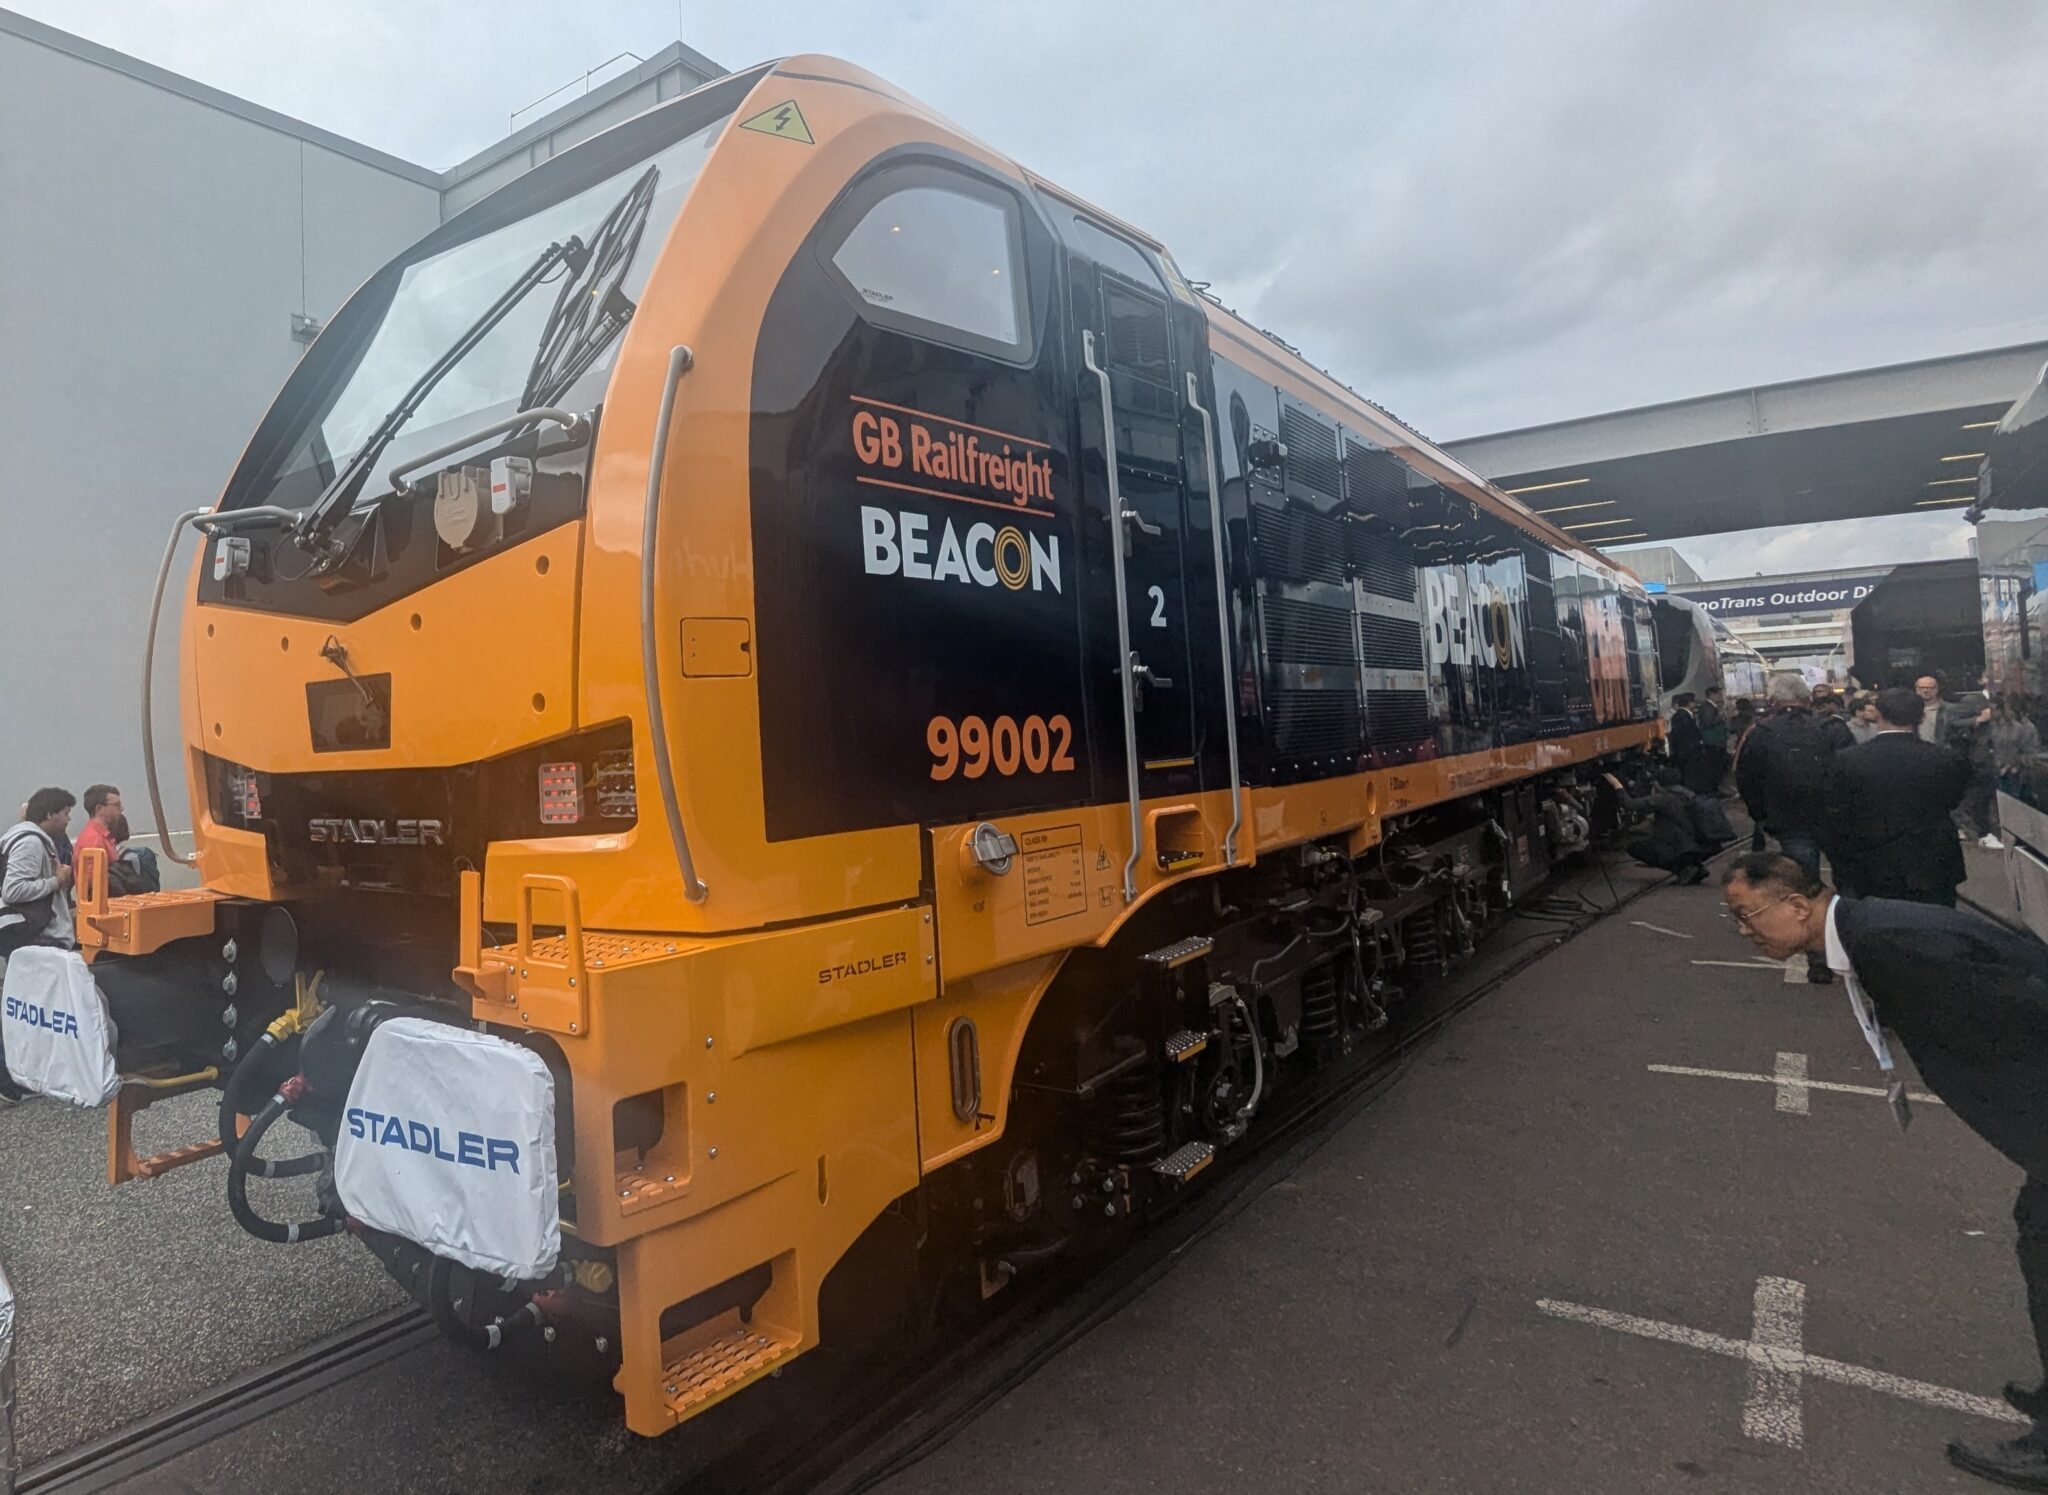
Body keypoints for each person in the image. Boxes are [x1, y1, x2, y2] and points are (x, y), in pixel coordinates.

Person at [1721, 853, 2048, 1489]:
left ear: (1795, 906)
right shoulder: (1868, 934)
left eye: (1747, 915)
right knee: (2035, 1230)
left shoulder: (1893, 943)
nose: (1745, 931)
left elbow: (2027, 1004)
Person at [1736, 673, 1844, 981]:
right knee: (1847, 882)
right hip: (1833, 819)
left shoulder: (1761, 732)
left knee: (1805, 886)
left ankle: (1818, 959)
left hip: (1789, 820)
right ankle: (1850, 946)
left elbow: (1746, 778)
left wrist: (1763, 816)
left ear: (1774, 702)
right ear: (1807, 699)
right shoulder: (1830, 728)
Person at [1823, 687, 1970, 905]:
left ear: (1878, 715)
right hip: (1934, 860)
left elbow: (1837, 812)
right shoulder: (1946, 758)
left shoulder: (1848, 759)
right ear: (1921, 717)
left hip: (1873, 863)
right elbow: (1953, 800)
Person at [0, 787, 78, 1102]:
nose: (69, 819)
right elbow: (14, 890)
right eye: (65, 812)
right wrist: (56, 881)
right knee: (31, 1009)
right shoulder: (31, 842)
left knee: (26, 1007)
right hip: (35, 935)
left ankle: (21, 1076)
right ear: (49, 814)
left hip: (26, 935)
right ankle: (10, 1080)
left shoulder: (17, 837)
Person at [1606, 766, 1717, 884]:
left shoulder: (1662, 798)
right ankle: (1695, 867)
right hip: (1697, 845)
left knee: (1636, 848)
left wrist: (1617, 785)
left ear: (1659, 784)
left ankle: (1684, 869)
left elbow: (1630, 804)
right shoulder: (1687, 793)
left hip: (1678, 846)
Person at [71, 783, 123, 869]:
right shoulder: (93, 840)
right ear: (99, 809)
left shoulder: (101, 836)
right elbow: (94, 880)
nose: (121, 808)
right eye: (116, 805)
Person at [1667, 692, 1705, 793]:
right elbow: (1685, 735)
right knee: (1689, 774)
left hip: (1686, 750)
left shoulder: (1681, 715)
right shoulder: (1682, 716)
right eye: (1694, 702)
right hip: (1688, 751)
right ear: (1689, 703)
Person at [1697, 686, 1730, 795]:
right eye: (1718, 694)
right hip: (1712, 741)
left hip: (1718, 741)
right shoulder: (1707, 707)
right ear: (1711, 694)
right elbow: (1708, 722)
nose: (1720, 696)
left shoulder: (1713, 707)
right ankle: (1715, 790)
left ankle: (1719, 788)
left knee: (1719, 766)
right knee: (1715, 767)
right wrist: (1721, 715)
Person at [1811, 686, 1858, 753]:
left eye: (1822, 707)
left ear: (1832, 704)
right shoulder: (1814, 719)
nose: (1819, 711)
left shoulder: (1843, 720)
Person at [1917, 675, 1954, 746]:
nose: (1925, 690)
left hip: (1942, 752)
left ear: (1936, 689)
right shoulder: (1911, 710)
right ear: (1916, 690)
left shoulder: (1950, 709)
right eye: (1921, 688)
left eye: (1929, 688)